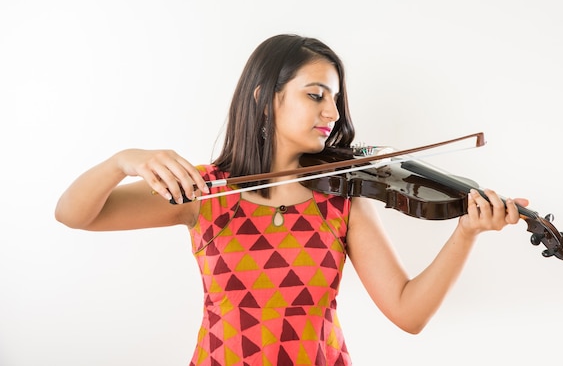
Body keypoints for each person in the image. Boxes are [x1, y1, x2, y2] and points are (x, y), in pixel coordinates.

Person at [55, 34, 528, 366]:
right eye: (315, 95)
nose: (332, 112)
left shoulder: (343, 196)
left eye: (336, 100)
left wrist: (465, 232)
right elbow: (75, 215)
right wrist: (122, 161)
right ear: (266, 97)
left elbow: (408, 313)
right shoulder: (202, 192)